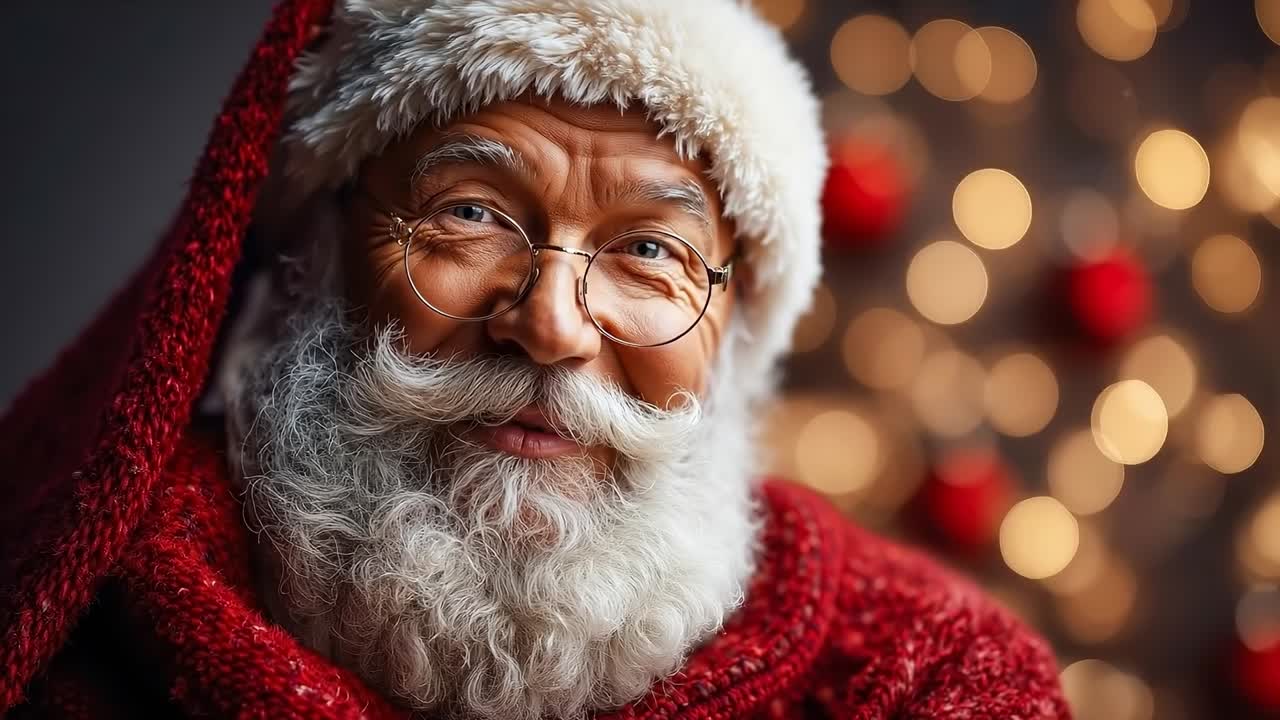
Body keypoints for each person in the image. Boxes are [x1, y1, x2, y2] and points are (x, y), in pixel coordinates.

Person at [0, 1, 1070, 718]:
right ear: (308, 256)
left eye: (650, 251)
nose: (551, 325)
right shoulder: (76, 632)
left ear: (733, 327)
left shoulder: (924, 682)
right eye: (468, 214)